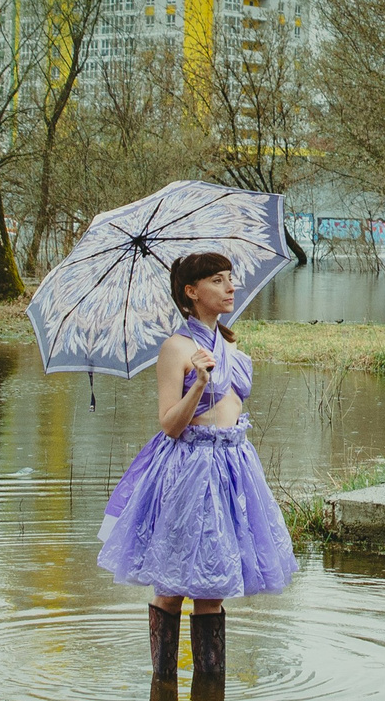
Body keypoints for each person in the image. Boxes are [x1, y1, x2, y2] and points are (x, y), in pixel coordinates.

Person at [97, 251, 298, 678]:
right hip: (189, 470)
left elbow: (233, 407)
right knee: (171, 587)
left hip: (232, 466)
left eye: (231, 278)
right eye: (218, 280)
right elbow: (170, 424)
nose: (231, 287)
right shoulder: (176, 348)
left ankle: (210, 696)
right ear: (191, 292)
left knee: (214, 589)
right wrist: (200, 383)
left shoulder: (227, 342)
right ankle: (163, 684)